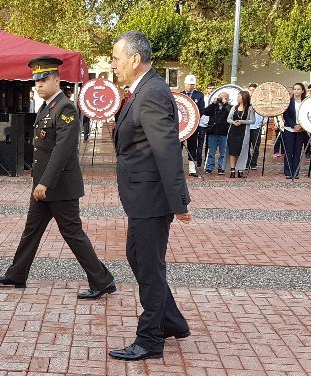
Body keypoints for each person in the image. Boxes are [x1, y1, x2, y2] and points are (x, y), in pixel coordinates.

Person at [0, 56, 115, 300]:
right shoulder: (47, 108)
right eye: (36, 81)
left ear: (57, 79)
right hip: (43, 185)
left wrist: (45, 182)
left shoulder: (65, 107)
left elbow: (63, 148)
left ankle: (102, 280)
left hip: (59, 186)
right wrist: (40, 182)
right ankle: (17, 274)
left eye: (44, 79)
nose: (38, 85)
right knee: (31, 231)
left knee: (73, 234)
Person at [108, 31, 191, 362]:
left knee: (149, 265)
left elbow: (167, 150)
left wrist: (179, 201)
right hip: (142, 195)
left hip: (152, 196)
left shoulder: (152, 93)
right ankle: (171, 320)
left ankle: (150, 339)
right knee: (137, 257)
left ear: (133, 59)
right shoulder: (142, 90)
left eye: (115, 58)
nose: (113, 65)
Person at [281, 83, 307, 179]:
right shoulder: (289, 101)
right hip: (289, 129)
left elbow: (308, 115)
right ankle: (288, 172)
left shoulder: (306, 102)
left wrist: (301, 125)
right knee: (288, 151)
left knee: (297, 152)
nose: (296, 91)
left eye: (298, 89)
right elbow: (286, 115)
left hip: (301, 129)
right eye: (295, 89)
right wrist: (294, 125)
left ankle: (295, 172)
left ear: (302, 91)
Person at [226, 91, 254, 178]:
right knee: (232, 151)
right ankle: (232, 170)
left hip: (243, 132)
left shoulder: (250, 108)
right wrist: (234, 122)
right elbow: (228, 119)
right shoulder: (234, 107)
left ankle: (240, 169)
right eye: (238, 96)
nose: (238, 98)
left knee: (241, 151)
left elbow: (252, 121)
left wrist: (242, 121)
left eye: (239, 96)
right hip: (233, 132)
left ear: (244, 97)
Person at [181, 74, 205, 176]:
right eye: (188, 84)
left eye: (192, 84)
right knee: (178, 147)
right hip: (181, 127)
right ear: (185, 84)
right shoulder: (180, 95)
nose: (190, 86)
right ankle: (178, 169)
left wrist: (193, 118)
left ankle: (192, 169)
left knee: (192, 147)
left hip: (193, 126)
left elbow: (201, 110)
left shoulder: (199, 95)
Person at [203, 92, 232, 175]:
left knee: (223, 152)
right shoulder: (214, 106)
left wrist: (226, 104)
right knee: (211, 152)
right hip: (213, 131)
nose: (221, 99)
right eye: (220, 97)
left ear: (228, 99)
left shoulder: (229, 107)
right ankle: (209, 167)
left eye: (224, 97)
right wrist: (213, 103)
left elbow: (231, 114)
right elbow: (205, 112)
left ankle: (221, 167)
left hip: (224, 132)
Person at [246, 84, 265, 170]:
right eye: (250, 90)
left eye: (254, 90)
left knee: (256, 147)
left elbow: (265, 111)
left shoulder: (260, 101)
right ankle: (247, 162)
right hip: (247, 127)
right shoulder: (245, 101)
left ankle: (254, 163)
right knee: (246, 146)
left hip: (257, 127)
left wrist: (264, 121)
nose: (252, 91)